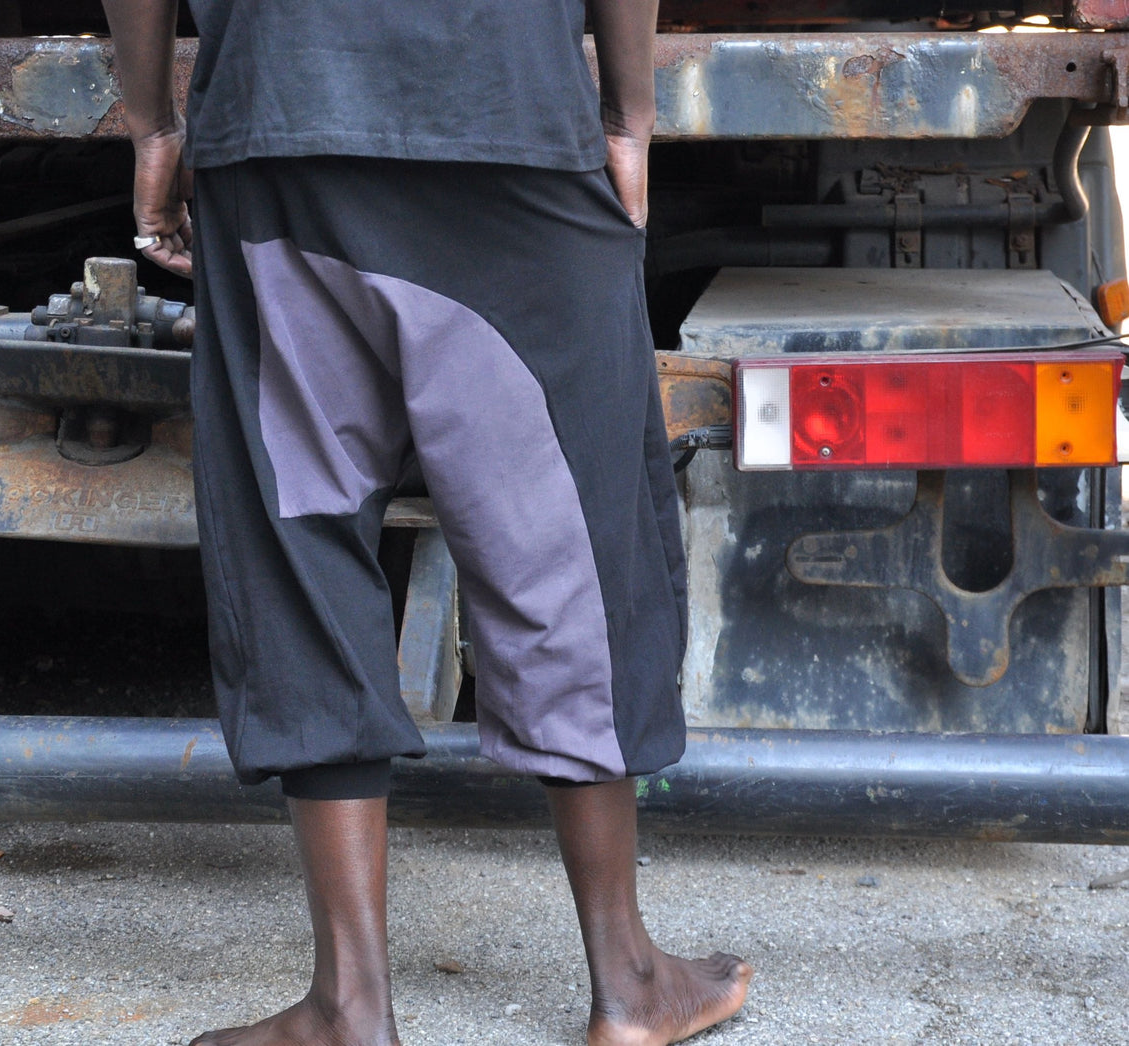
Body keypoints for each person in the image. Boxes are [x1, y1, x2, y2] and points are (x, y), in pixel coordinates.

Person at [100, 1, 752, 1042]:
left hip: (281, 118)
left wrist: (152, 123)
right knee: (569, 536)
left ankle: (350, 1006)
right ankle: (626, 979)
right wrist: (627, 118)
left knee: (302, 532)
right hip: (507, 114)